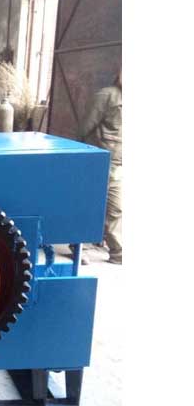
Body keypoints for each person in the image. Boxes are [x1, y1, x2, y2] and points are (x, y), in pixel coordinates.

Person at [77, 69, 122, 264]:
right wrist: (87, 158)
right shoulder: (106, 96)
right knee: (88, 206)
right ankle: (80, 248)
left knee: (115, 209)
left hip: (119, 166)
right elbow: (84, 129)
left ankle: (118, 251)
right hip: (100, 163)